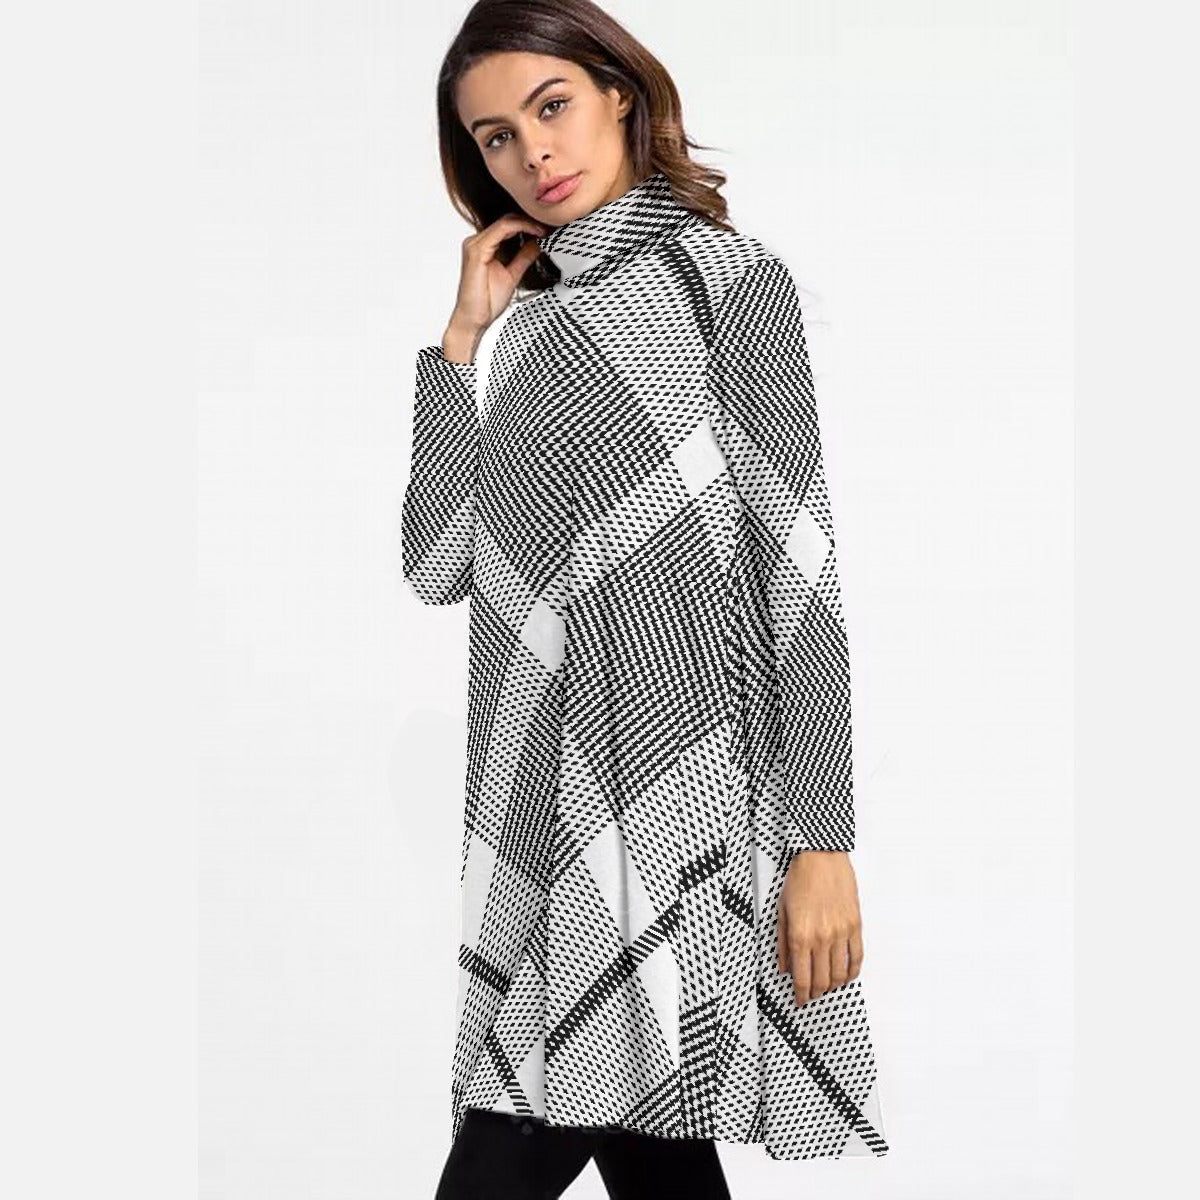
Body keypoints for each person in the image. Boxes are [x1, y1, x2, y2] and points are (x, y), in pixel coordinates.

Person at [401, 1, 889, 1193]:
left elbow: (798, 572)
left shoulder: (728, 279)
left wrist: (824, 842)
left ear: (619, 92)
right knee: (646, 1150)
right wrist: (460, 346)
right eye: (497, 137)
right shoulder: (527, 324)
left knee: (533, 1135)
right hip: (539, 800)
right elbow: (438, 564)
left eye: (551, 107)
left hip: (681, 790)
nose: (533, 152)